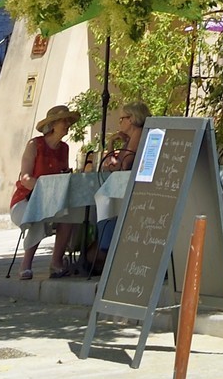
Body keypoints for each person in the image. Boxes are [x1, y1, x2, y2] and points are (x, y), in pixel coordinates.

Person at [13, 104, 78, 280]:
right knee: (38, 213)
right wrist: (46, 191)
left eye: (68, 121)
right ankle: (25, 264)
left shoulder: (64, 148)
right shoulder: (35, 145)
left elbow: (61, 176)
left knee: (71, 214)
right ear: (53, 124)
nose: (68, 125)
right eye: (64, 121)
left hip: (51, 201)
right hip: (25, 199)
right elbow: (25, 179)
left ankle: (56, 263)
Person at [89, 101, 147, 273]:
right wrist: (111, 144)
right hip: (125, 187)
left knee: (104, 199)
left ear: (132, 119)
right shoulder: (132, 138)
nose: (120, 122)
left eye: (122, 118)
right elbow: (115, 164)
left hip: (131, 189)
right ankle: (104, 247)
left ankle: (106, 248)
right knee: (103, 198)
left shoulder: (138, 134)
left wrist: (111, 145)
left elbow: (121, 165)